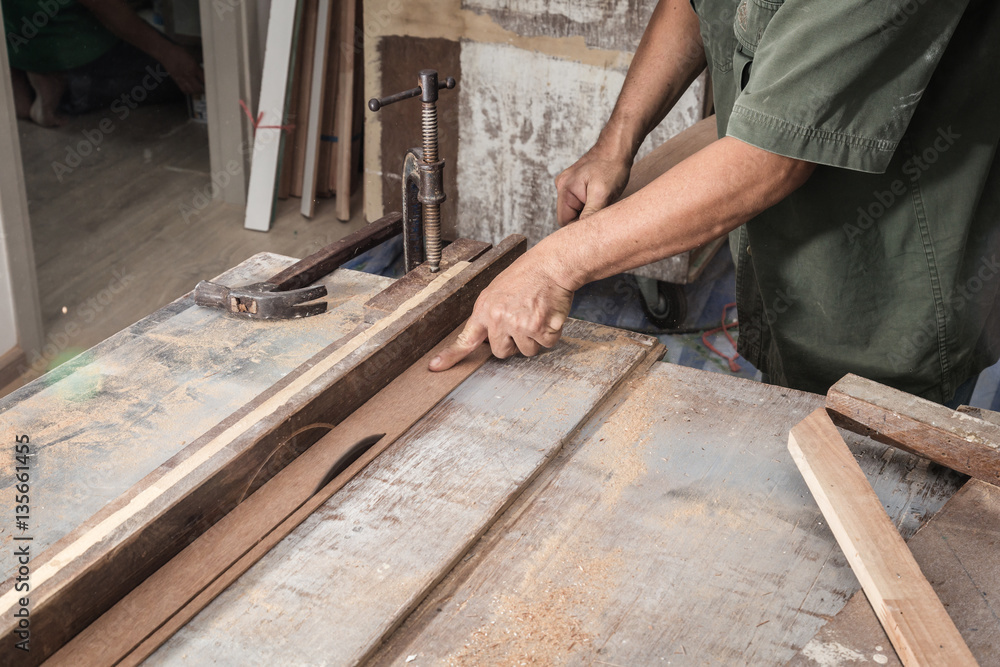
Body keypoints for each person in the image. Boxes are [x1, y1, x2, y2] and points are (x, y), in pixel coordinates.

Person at [428, 0, 1000, 407]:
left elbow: (769, 158)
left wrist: (555, 264)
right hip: (787, 256)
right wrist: (617, 141)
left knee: (878, 503)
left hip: (896, 273)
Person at [3, 0, 204, 126]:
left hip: (22, 42)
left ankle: (25, 78)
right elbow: (107, 7)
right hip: (74, 51)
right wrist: (170, 55)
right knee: (190, 75)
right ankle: (60, 85)